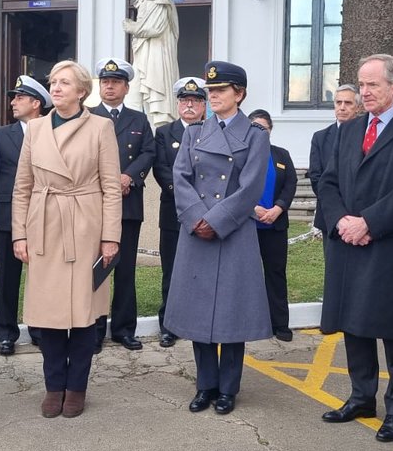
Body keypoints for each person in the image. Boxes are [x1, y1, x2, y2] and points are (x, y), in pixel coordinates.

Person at [317, 54, 393, 442]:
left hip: (389, 242)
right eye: (361, 84)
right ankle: (361, 396)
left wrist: (368, 222)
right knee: (353, 322)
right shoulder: (349, 129)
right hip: (347, 240)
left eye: (372, 85)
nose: (363, 92)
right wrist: (341, 221)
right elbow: (328, 181)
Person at [12, 60, 122, 418]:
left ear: (81, 91)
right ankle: (53, 386)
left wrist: (110, 238)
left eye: (64, 83)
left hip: (85, 226)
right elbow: (22, 187)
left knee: (84, 314)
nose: (55, 88)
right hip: (45, 226)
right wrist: (20, 235)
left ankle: (76, 388)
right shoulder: (36, 128)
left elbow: (110, 188)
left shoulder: (101, 127)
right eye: (53, 82)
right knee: (50, 314)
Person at [164, 61, 271, 415]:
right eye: (211, 91)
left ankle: (228, 388)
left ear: (239, 94)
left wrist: (217, 220)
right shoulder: (194, 133)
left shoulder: (255, 135)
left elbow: (250, 186)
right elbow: (181, 179)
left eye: (220, 90)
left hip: (233, 233)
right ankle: (205, 385)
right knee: (198, 313)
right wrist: (197, 218)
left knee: (231, 313)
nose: (213, 97)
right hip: (197, 233)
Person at [90, 58, 155, 352]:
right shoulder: (87, 116)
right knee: (96, 269)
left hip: (128, 205)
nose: (110, 86)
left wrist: (130, 176)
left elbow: (149, 153)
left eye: (115, 82)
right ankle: (92, 330)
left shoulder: (139, 120)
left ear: (126, 87)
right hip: (94, 205)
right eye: (105, 81)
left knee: (126, 269)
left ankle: (124, 329)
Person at [0, 74, 51, 355]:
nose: (13, 102)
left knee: (40, 275)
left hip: (44, 215)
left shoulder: (53, 132)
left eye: (20, 97)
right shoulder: (1, 135)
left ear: (36, 103)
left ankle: (39, 328)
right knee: (7, 277)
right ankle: (6, 332)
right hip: (8, 215)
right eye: (13, 97)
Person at [153, 76, 208, 347]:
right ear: (178, 104)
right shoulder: (164, 133)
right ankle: (169, 324)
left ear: (203, 105)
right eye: (185, 100)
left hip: (206, 215)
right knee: (171, 270)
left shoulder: (213, 131)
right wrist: (188, 197)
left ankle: (198, 320)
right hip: (174, 213)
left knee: (202, 270)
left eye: (196, 100)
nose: (189, 105)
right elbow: (162, 170)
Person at [247, 109, 298, 343]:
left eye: (264, 129)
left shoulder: (281, 155)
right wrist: (253, 209)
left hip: (275, 226)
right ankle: (248, 322)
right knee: (247, 277)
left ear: (270, 131)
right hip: (248, 227)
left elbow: (290, 184)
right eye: (255, 128)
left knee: (276, 274)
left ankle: (280, 324)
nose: (260, 132)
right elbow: (237, 187)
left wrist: (278, 208)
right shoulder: (240, 155)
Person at [122, 0, 180, 128]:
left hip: (157, 56)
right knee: (133, 96)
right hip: (144, 55)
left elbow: (155, 27)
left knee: (157, 101)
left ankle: (158, 138)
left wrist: (132, 27)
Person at [308, 84, 361, 233]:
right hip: (330, 216)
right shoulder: (320, 137)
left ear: (358, 107)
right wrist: (338, 213)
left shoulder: (368, 134)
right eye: (338, 102)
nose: (342, 107)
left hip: (361, 217)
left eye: (348, 103)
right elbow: (316, 177)